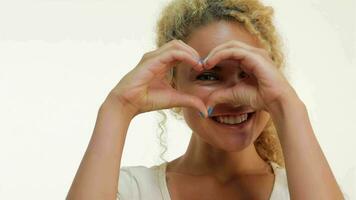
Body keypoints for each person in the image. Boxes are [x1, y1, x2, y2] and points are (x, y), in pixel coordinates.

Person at [66, 0, 345, 199]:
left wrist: (289, 107)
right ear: (172, 81)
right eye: (209, 76)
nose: (234, 97)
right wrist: (117, 107)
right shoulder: (131, 190)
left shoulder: (305, 189)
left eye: (250, 73)